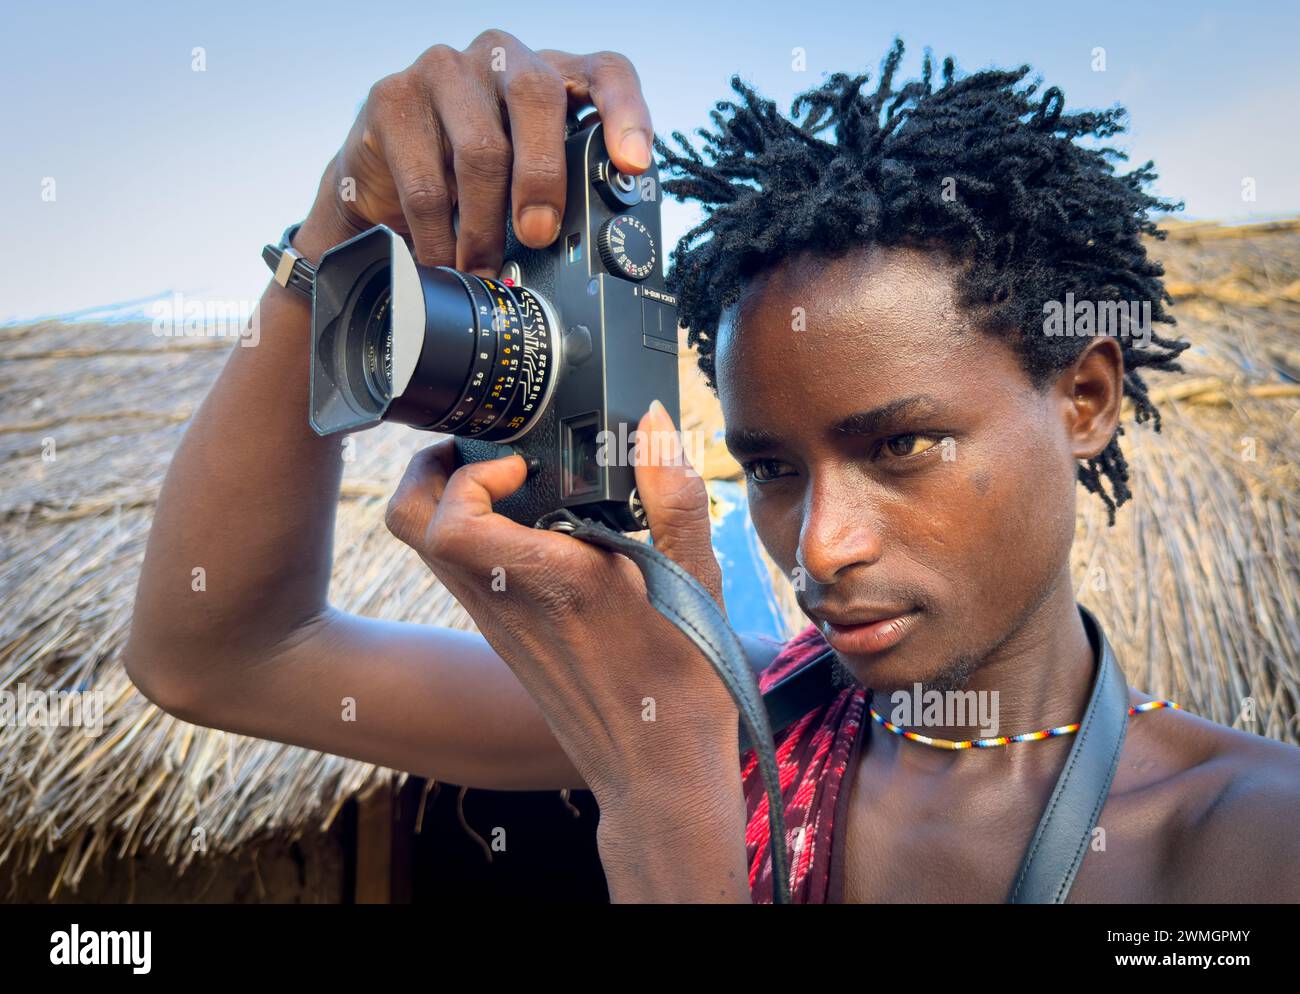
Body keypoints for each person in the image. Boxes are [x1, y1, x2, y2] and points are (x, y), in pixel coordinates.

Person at [124, 30, 1300, 903]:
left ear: (1083, 400)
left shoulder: (1245, 842)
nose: (821, 547)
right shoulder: (727, 714)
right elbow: (222, 654)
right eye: (771, 466)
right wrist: (334, 234)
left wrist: (665, 813)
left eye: (902, 445)